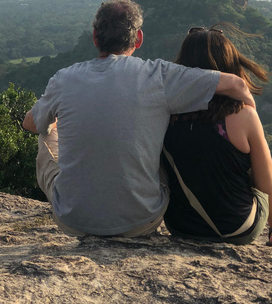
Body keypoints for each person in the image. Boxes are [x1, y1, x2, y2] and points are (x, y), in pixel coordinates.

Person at [22, 0, 256, 237]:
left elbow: (30, 123)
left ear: (94, 37)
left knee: (47, 132)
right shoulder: (158, 75)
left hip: (74, 220)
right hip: (142, 221)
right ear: (139, 38)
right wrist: (252, 120)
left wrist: (55, 122)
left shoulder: (64, 79)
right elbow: (236, 85)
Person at [162, 24, 272, 246]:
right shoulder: (243, 114)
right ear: (230, 63)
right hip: (237, 228)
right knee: (266, 162)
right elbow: (265, 185)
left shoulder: (167, 112)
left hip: (180, 225)